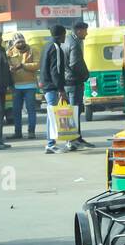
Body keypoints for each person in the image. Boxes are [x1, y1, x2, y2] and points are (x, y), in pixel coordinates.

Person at [62, 20, 98, 149]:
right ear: (78, 30)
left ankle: (77, 138)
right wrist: (85, 75)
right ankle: (72, 140)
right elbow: (75, 63)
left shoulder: (67, 41)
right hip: (73, 81)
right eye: (85, 31)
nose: (86, 33)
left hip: (68, 81)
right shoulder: (74, 44)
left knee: (73, 111)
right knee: (73, 112)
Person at [40, 25, 72, 154]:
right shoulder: (56, 47)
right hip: (53, 87)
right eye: (65, 34)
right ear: (61, 35)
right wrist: (61, 90)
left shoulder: (47, 46)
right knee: (53, 115)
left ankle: (52, 143)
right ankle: (50, 144)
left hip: (47, 85)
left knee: (51, 114)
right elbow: (56, 70)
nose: (65, 37)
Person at [7, 33, 39, 140]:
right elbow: (6, 66)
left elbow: (37, 65)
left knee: (31, 110)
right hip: (16, 86)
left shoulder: (33, 50)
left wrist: (23, 65)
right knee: (16, 111)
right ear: (14, 43)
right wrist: (10, 69)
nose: (21, 44)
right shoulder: (10, 53)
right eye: (18, 42)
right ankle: (18, 132)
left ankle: (31, 132)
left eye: (22, 41)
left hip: (30, 85)